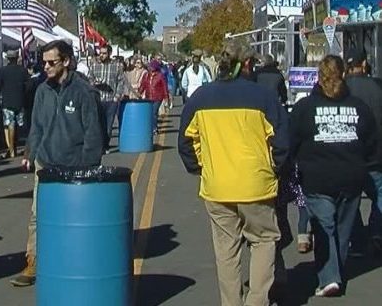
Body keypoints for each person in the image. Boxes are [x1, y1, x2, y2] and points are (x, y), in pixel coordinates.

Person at [178, 43, 288, 306]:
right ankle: (256, 300)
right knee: (263, 242)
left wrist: (202, 167)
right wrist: (274, 169)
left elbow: (186, 142)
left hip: (217, 186)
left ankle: (231, 303)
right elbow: (281, 142)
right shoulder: (263, 97)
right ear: (248, 65)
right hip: (256, 185)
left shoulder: (200, 97)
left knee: (226, 251)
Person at [11, 40, 104, 288]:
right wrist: (30, 155)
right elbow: (37, 127)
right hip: (46, 164)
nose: (47, 67)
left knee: (73, 219)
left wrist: (87, 167)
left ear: (66, 61)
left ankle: (73, 262)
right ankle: (34, 261)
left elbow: (94, 135)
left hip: (74, 167)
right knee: (37, 215)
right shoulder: (42, 91)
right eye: (44, 63)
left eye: (52, 62)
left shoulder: (84, 92)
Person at [290, 55, 378, 297]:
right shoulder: (358, 108)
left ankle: (330, 277)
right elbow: (371, 143)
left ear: (319, 76)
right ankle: (334, 273)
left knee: (325, 225)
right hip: (351, 174)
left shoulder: (304, 108)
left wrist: (294, 167)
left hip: (317, 176)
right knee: (342, 226)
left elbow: (292, 141)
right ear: (344, 74)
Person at [342, 48, 382, 256]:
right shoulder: (377, 86)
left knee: (350, 199)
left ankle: (356, 238)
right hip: (376, 155)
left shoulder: (340, 89)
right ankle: (377, 232)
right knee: (380, 195)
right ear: (364, 64)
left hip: (348, 155)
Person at [87, 44, 128, 152]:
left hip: (111, 100)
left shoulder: (117, 66)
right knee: (98, 124)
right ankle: (99, 146)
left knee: (108, 125)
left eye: (104, 53)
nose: (101, 55)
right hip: (98, 99)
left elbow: (121, 82)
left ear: (109, 54)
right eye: (100, 53)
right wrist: (93, 83)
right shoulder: (94, 65)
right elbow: (89, 78)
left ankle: (105, 145)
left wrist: (117, 96)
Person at [0, 50, 31, 158]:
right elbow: (29, 85)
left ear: (7, 59)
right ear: (17, 58)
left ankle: (12, 149)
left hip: (7, 101)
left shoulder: (2, 71)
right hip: (20, 100)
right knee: (20, 126)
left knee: (10, 125)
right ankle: (21, 148)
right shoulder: (23, 70)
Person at [140, 60, 171, 134]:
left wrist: (166, 97)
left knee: (154, 112)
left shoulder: (160, 75)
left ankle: (154, 128)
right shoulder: (147, 75)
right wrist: (139, 93)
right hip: (148, 97)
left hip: (157, 97)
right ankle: (150, 127)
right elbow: (143, 85)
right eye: (150, 66)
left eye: (152, 67)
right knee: (149, 113)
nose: (151, 68)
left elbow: (164, 87)